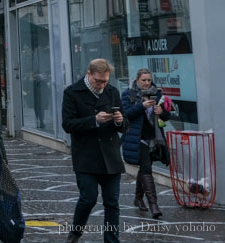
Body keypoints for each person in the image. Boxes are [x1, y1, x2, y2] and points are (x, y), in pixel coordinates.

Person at [62, 58, 125, 243]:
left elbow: (124, 124)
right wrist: (94, 120)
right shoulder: (72, 92)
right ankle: (75, 232)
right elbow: (67, 124)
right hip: (86, 157)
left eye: (105, 81)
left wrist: (120, 121)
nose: (101, 85)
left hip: (111, 157)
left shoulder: (112, 91)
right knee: (88, 198)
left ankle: (112, 240)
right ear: (88, 74)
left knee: (112, 202)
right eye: (98, 81)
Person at [122, 67, 172, 218]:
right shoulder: (128, 94)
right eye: (143, 80)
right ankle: (154, 205)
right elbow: (126, 114)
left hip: (154, 138)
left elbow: (167, 116)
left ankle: (138, 199)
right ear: (137, 80)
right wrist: (141, 106)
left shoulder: (157, 94)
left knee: (145, 168)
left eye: (148, 80)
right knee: (146, 168)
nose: (146, 83)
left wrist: (161, 112)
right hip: (138, 138)